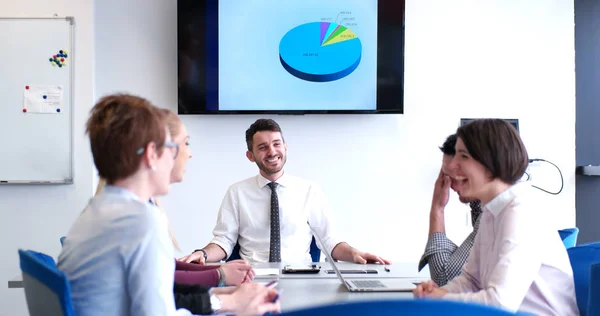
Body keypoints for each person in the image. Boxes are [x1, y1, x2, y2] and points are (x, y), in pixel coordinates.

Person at [57, 94, 279, 316]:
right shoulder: (140, 221)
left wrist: (222, 298)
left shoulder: (99, 211)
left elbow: (151, 298)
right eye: (177, 146)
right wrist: (233, 305)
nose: (183, 155)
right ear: (153, 154)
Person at [413, 119, 578, 315]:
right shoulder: (493, 211)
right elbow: (471, 280)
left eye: (463, 156)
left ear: (491, 163)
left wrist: (440, 298)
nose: (453, 165)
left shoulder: (521, 212)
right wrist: (439, 292)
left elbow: (500, 302)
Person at [179, 118, 390, 265]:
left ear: (285, 147)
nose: (272, 152)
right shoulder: (237, 192)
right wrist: (203, 254)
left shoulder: (309, 190)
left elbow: (329, 241)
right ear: (250, 156)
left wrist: (354, 253)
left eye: (276, 144)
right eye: (262, 147)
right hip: (252, 278)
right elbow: (223, 241)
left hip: (302, 277)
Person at [418, 134, 482, 286]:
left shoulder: (494, 216)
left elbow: (444, 278)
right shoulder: (484, 208)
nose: (452, 186)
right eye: (447, 176)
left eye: (459, 177)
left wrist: (437, 208)